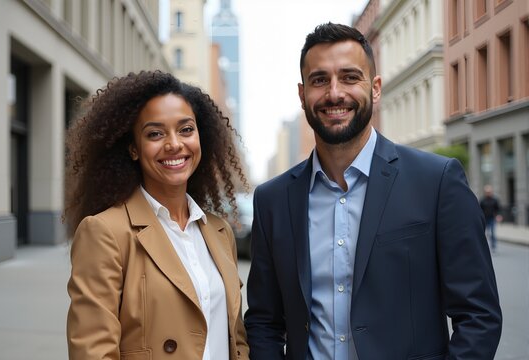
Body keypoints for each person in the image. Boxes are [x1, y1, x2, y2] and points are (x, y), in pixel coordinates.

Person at [244, 23, 502, 360]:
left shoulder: (437, 182)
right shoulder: (272, 200)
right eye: (319, 80)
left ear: (376, 88)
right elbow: (263, 321)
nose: (335, 93)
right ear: (302, 94)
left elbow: (479, 316)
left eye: (350, 77)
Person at [64, 70, 250, 360]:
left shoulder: (219, 231)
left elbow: (235, 339)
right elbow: (93, 352)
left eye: (186, 129)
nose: (174, 144)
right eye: (155, 133)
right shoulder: (104, 232)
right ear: (133, 149)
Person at [479, 185, 502, 251]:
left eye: (489, 192)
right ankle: (483, 246)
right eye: (487, 192)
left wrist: (498, 215)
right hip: (484, 219)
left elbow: (498, 209)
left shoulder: (495, 200)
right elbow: (480, 210)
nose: (488, 193)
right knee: (484, 234)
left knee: (492, 233)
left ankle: (493, 246)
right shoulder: (482, 200)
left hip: (492, 218)